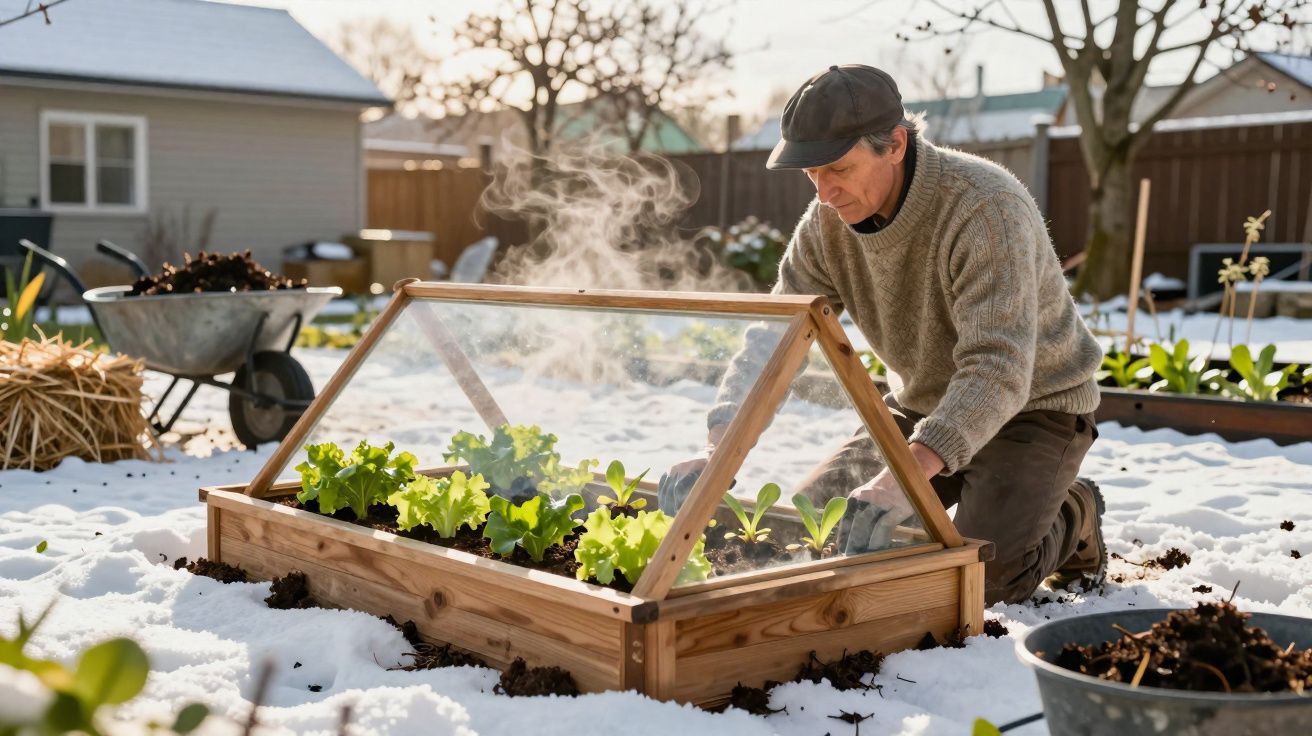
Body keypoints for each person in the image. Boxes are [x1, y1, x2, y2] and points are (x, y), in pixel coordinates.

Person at [657, 64, 1107, 605]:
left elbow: (998, 367)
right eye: (811, 174)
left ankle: (1076, 509)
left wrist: (902, 479)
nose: (825, 193)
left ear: (895, 144)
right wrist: (718, 449)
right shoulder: (825, 226)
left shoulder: (985, 208)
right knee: (815, 532)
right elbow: (775, 339)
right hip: (919, 406)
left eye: (838, 169)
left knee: (982, 579)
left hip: (1033, 410)